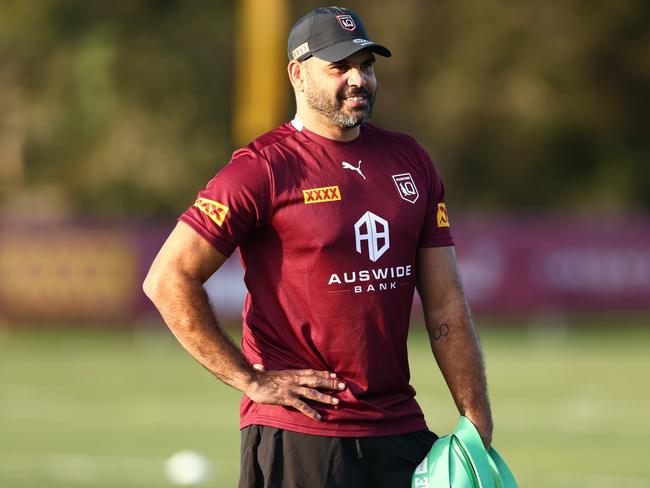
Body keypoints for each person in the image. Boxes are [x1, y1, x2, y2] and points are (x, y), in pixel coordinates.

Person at [143, 6, 492, 488]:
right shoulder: (261, 169)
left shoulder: (410, 160)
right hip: (302, 433)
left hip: (399, 428)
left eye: (366, 66)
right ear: (296, 72)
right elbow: (167, 278)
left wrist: (475, 418)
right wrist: (250, 379)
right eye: (339, 67)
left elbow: (446, 302)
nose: (359, 80)